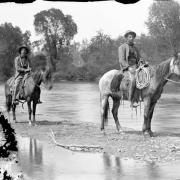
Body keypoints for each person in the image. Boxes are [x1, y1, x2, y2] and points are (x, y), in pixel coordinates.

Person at [118, 30, 142, 107]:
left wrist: (143, 63)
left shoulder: (135, 48)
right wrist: (128, 68)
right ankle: (132, 100)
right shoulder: (122, 47)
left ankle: (143, 96)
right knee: (133, 79)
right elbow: (121, 60)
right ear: (126, 38)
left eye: (133, 37)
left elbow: (139, 58)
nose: (131, 38)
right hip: (127, 67)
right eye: (130, 37)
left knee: (145, 76)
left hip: (136, 67)